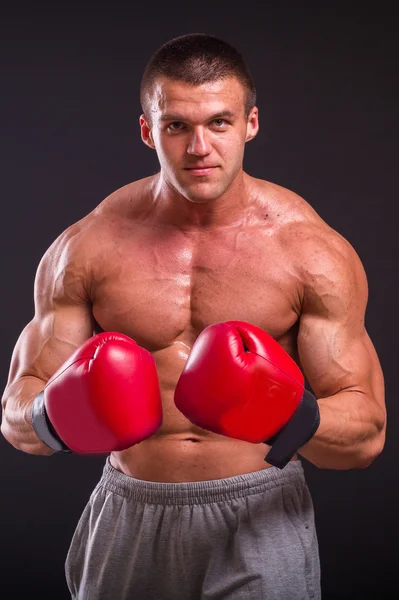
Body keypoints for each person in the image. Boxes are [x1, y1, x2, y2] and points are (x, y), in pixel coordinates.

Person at [1, 33, 386, 600]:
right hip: (129, 511)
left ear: (251, 124)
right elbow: (14, 415)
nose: (199, 147)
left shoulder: (311, 252)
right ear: (147, 130)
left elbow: (366, 435)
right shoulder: (87, 248)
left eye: (220, 123)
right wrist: (55, 417)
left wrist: (283, 414)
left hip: (258, 514)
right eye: (176, 125)